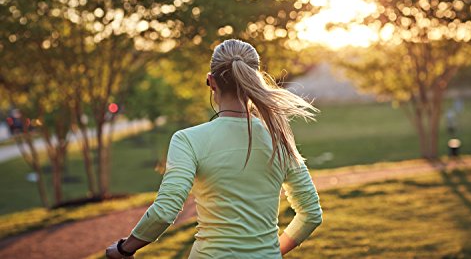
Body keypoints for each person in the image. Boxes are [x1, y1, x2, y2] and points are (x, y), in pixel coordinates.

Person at [105, 39, 323, 258]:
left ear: (211, 82)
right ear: (253, 81)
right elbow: (311, 214)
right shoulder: (279, 140)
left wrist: (124, 249)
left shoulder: (188, 140)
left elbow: (165, 211)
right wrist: (272, 251)